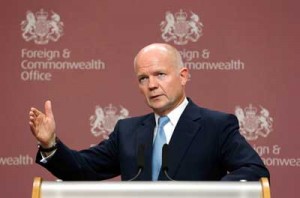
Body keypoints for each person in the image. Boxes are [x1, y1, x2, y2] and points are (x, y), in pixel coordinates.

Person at [29, 43, 270, 181]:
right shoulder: (127, 131)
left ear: (183, 76)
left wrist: (205, 195)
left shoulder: (216, 126)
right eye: (143, 78)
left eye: (160, 75)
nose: (152, 85)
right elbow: (83, 169)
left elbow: (254, 171)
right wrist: (50, 144)